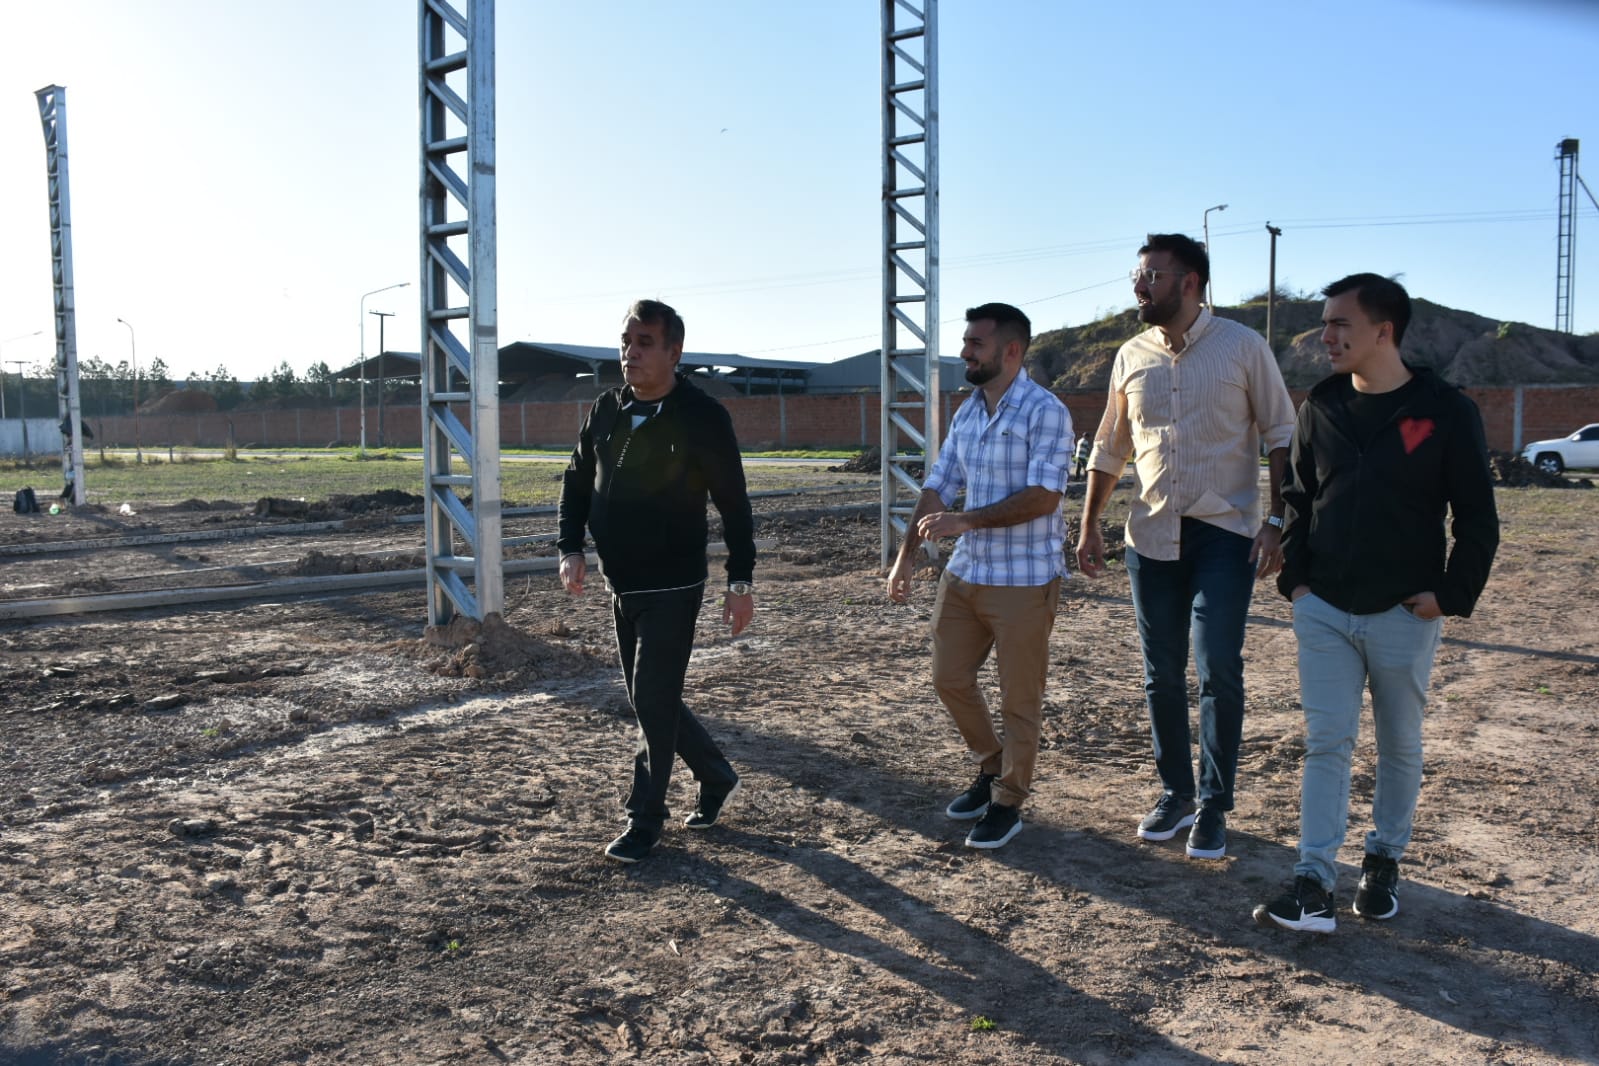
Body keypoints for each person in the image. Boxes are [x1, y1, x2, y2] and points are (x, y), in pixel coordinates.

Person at [1254, 274, 1498, 932]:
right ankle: (1312, 882)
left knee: (1398, 743)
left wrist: (1448, 595)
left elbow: (1477, 516)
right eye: (1324, 323)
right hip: (1324, 608)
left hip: (1403, 612)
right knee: (1325, 742)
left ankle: (1383, 859)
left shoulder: (1444, 410)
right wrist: (1296, 583)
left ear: (1383, 331)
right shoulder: (1321, 404)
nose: (1325, 336)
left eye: (1339, 324)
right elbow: (1298, 496)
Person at [1076, 233, 1296, 860]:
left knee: (1218, 668)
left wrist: (1276, 521)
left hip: (1225, 533)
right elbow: (1111, 446)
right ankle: (1176, 792)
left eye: (1152, 275)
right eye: (1137, 275)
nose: (1139, 286)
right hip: (1150, 536)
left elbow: (1283, 434)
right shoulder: (1131, 355)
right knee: (1160, 674)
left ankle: (1215, 804)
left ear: (1191, 282)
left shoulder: (1243, 347)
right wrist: (1089, 524)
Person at [557, 299, 756, 864]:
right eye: (626, 341)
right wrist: (570, 547)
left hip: (673, 585)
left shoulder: (702, 416)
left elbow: (734, 503)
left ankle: (644, 820)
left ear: (674, 352)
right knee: (654, 699)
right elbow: (576, 480)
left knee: (651, 697)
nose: (631, 353)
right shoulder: (606, 408)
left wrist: (740, 581)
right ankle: (715, 775)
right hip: (620, 583)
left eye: (645, 342)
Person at [886, 302, 1073, 850]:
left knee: (1020, 699)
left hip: (1025, 579)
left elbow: (1043, 497)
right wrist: (905, 556)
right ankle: (992, 765)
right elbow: (938, 485)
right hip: (966, 573)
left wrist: (965, 521)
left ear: (1011, 351)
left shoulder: (1046, 411)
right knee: (948, 679)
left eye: (976, 343)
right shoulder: (967, 412)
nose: (965, 351)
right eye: (966, 341)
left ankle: (1008, 802)